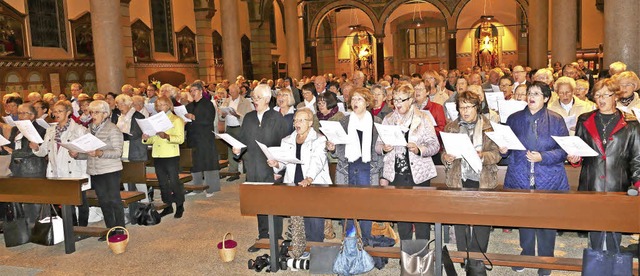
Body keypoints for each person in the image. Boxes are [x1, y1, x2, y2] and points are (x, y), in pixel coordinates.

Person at [499, 81, 569, 275]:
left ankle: (546, 260)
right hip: (520, 175)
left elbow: (563, 149)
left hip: (548, 176)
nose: (531, 96)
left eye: (537, 93)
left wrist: (543, 157)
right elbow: (507, 146)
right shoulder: (514, 118)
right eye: (530, 93)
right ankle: (526, 254)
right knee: (525, 218)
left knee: (547, 220)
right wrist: (503, 150)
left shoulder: (556, 120)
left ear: (546, 98)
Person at [569, 78, 640, 252]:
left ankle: (614, 265)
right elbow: (578, 149)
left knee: (614, 231)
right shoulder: (584, 119)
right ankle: (595, 265)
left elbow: (637, 157)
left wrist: (638, 184)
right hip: (592, 181)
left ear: (616, 96)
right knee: (594, 230)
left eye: (606, 95)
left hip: (618, 184)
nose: (601, 99)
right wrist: (574, 158)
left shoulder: (631, 124)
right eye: (597, 95)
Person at [376, 83, 440, 241]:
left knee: (421, 218)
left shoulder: (423, 118)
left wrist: (419, 149)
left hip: (419, 173)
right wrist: (384, 148)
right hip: (397, 173)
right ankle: (405, 253)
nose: (397, 104)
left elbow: (435, 145)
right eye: (395, 100)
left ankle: (421, 253)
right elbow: (377, 146)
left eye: (401, 100)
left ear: (411, 100)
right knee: (402, 217)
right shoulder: (388, 119)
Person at [442, 91, 501, 257]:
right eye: (461, 107)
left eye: (469, 107)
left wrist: (483, 156)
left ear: (477, 107)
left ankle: (477, 258)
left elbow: (497, 154)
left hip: (482, 179)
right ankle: (463, 255)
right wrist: (446, 157)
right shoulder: (451, 127)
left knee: (482, 222)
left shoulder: (490, 127)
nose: (465, 111)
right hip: (459, 178)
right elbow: (444, 153)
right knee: (460, 221)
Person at [233, 84, 289, 252]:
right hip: (253, 167)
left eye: (257, 98)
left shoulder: (277, 118)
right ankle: (263, 237)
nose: (254, 101)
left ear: (267, 99)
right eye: (253, 98)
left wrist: (279, 169)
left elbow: (284, 145)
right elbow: (242, 141)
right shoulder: (249, 118)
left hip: (271, 168)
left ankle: (276, 238)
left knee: (273, 204)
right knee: (259, 204)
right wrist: (237, 150)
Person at [326, 87, 383, 243]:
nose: (355, 102)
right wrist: (332, 148)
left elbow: (380, 148)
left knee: (367, 206)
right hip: (348, 167)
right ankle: (350, 241)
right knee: (348, 206)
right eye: (353, 99)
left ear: (367, 102)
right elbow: (338, 149)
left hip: (368, 168)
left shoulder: (376, 122)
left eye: (359, 99)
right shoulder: (344, 121)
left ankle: (367, 239)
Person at [268, 108, 331, 242]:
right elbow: (283, 163)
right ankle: (303, 248)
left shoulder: (319, 139)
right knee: (299, 218)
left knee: (314, 218)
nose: (297, 123)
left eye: (301, 120)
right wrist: (276, 164)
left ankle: (316, 248)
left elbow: (317, 161)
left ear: (310, 123)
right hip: (294, 182)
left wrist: (309, 178)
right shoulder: (287, 140)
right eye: (295, 120)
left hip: (314, 183)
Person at [30, 100, 90, 226]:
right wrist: (36, 148)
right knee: (65, 201)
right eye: (55, 111)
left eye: (60, 111)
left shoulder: (79, 129)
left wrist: (77, 153)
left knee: (81, 200)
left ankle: (83, 227)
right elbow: (44, 151)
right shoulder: (51, 130)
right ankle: (71, 227)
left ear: (68, 112)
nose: (56, 114)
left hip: (74, 169)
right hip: (57, 169)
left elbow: (88, 150)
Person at [70, 100, 125, 236]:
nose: (93, 115)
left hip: (110, 170)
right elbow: (89, 154)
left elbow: (118, 152)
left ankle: (121, 230)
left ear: (105, 114)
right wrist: (77, 155)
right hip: (95, 170)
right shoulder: (90, 129)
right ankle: (110, 230)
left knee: (113, 200)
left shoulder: (113, 129)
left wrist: (100, 153)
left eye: (96, 112)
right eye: (91, 112)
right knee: (104, 202)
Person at [142, 96, 186, 218]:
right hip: (157, 154)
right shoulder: (154, 120)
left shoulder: (176, 120)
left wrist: (167, 136)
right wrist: (146, 138)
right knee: (162, 183)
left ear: (169, 105)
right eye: (158, 105)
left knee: (174, 182)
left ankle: (179, 205)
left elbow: (180, 139)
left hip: (171, 154)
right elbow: (152, 138)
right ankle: (168, 206)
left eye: (163, 104)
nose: (160, 107)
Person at [185, 82, 221, 197]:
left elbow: (208, 120)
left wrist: (194, 117)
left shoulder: (208, 104)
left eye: (194, 90)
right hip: (193, 137)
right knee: (194, 163)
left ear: (201, 91)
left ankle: (211, 188)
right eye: (191, 91)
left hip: (205, 137)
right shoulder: (189, 106)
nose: (192, 93)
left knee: (208, 162)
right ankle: (197, 188)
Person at [220, 83, 253, 181]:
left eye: (233, 92)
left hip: (240, 127)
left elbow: (249, 116)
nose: (231, 94)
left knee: (243, 149)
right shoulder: (226, 101)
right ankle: (233, 172)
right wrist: (223, 114)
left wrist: (238, 116)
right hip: (229, 127)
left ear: (238, 91)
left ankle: (249, 171)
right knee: (231, 150)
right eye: (230, 92)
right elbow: (221, 117)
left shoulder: (245, 101)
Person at [115, 94, 147, 162]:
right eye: (118, 104)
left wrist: (120, 135)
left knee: (135, 171)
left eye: (122, 104)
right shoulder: (120, 117)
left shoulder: (138, 116)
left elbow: (135, 134)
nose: (119, 107)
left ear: (129, 104)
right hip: (122, 147)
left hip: (136, 150)